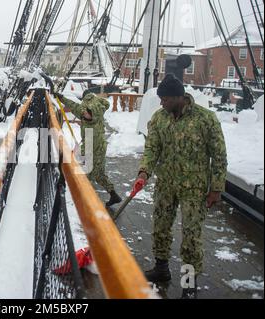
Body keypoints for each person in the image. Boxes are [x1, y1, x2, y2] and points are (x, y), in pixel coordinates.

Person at [134, 74, 227, 298]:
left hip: (193, 189)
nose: (162, 103)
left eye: (165, 99)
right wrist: (144, 172)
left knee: (191, 236)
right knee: (160, 228)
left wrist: (215, 189)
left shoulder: (206, 119)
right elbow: (152, 149)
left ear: (179, 97)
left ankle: (188, 283)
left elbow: (219, 156)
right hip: (165, 184)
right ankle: (161, 268)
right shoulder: (159, 118)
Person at [57, 90, 122, 207]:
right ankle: (113, 195)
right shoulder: (99, 104)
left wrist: (61, 98)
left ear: (84, 98)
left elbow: (77, 107)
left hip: (92, 143)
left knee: (85, 172)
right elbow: (104, 104)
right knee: (99, 174)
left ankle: (85, 202)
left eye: (87, 113)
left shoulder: (87, 105)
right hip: (100, 144)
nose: (85, 114)